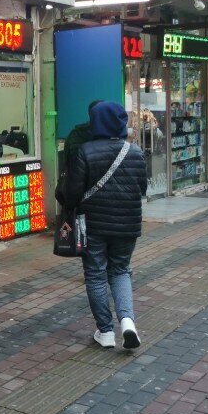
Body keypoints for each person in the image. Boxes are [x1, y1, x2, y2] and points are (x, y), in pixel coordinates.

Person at [64, 101, 148, 350]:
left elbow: (71, 194)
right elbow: (142, 189)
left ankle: (106, 331)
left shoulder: (85, 151)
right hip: (128, 223)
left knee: (96, 274)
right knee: (120, 270)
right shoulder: (135, 152)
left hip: (94, 224)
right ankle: (128, 322)